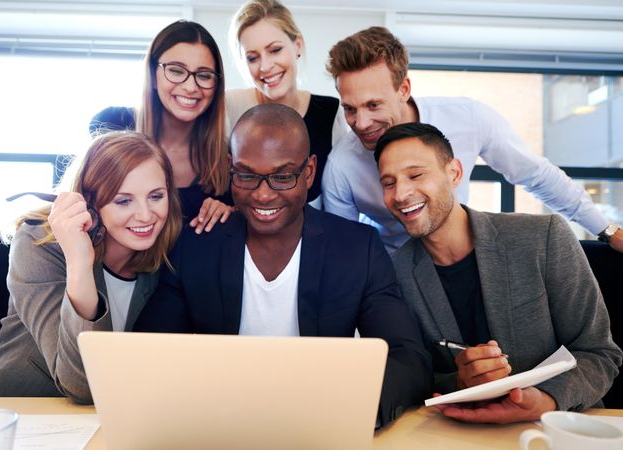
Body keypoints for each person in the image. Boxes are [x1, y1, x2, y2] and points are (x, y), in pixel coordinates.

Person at [134, 104, 432, 427]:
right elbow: (144, 355)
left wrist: (347, 410)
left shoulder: (357, 249)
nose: (263, 195)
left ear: (308, 172)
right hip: (219, 425)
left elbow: (409, 360)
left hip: (319, 426)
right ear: (231, 168)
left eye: (282, 176)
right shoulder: (195, 246)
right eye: (247, 175)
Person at [375, 122, 622, 424]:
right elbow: (415, 375)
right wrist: (459, 382)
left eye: (416, 175)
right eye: (388, 183)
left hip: (561, 426)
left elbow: (599, 353)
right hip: (458, 432)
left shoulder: (543, 237)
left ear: (453, 173)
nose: (401, 193)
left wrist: (545, 399)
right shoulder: (394, 275)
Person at [322, 26, 623, 255]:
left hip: (464, 259)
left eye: (374, 105)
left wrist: (607, 230)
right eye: (349, 108)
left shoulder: (468, 118)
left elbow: (536, 175)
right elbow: (344, 250)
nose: (360, 123)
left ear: (403, 89)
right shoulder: (342, 164)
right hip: (395, 278)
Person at [0, 132, 182, 403]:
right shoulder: (38, 244)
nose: (146, 215)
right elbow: (80, 384)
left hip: (99, 420)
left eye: (156, 196)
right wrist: (79, 262)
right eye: (123, 200)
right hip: (6, 408)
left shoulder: (164, 251)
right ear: (88, 204)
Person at [226, 0, 348, 208]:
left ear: (297, 45)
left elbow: (336, 202)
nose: (265, 66)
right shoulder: (230, 107)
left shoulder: (329, 112)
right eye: (252, 58)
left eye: (275, 50)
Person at [137, 20, 232, 233]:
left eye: (204, 75)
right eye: (177, 71)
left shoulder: (227, 162)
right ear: (153, 75)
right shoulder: (114, 127)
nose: (190, 87)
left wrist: (227, 213)